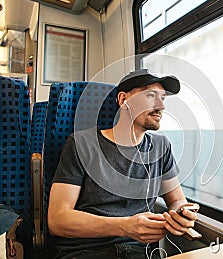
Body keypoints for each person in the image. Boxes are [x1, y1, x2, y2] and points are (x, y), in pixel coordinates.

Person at [48, 69, 198, 259]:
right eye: (151, 95)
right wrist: (125, 226)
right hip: (86, 251)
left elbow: (176, 200)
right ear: (123, 100)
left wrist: (181, 214)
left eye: (163, 98)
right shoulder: (82, 144)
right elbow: (57, 220)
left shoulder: (161, 147)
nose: (161, 106)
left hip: (140, 252)